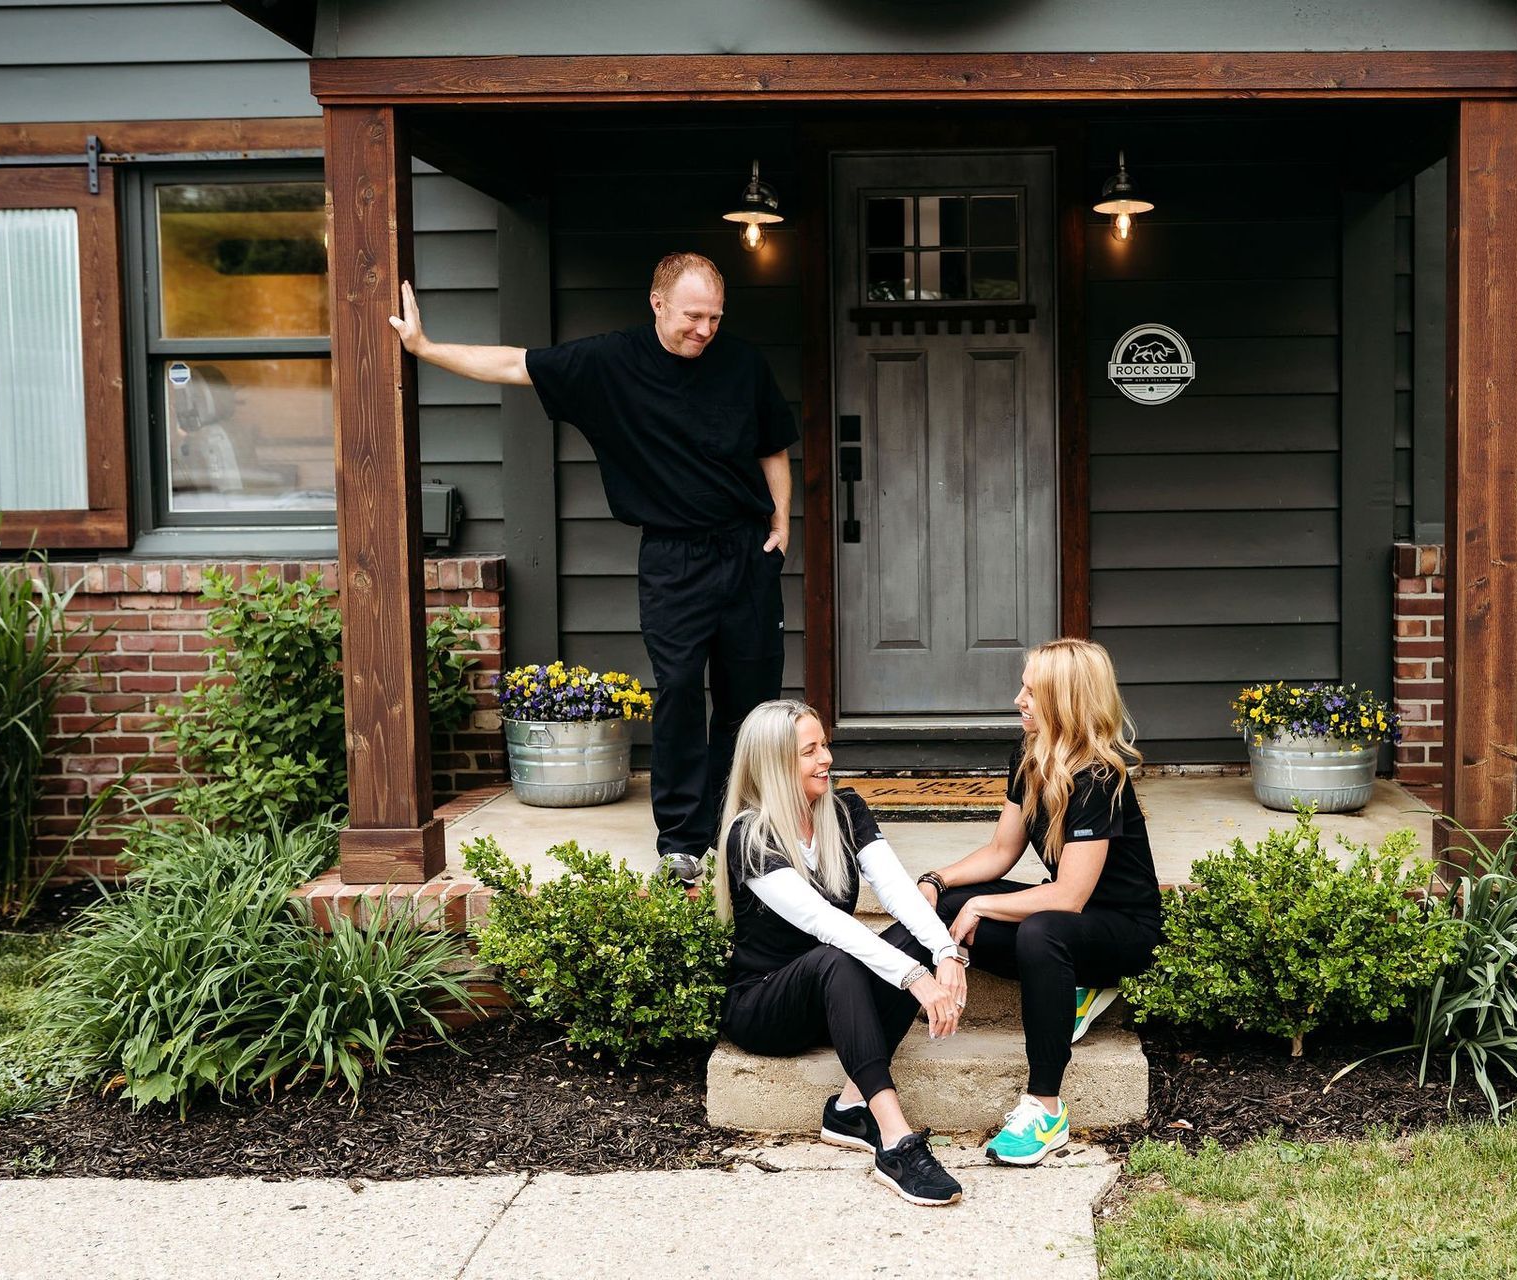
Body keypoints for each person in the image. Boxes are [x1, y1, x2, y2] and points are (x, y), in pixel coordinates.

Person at [389, 253, 795, 882]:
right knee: (682, 692)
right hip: (672, 557)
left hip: (747, 551)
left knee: (750, 694)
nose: (705, 330)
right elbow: (513, 364)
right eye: (693, 316)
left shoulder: (742, 363)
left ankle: (741, 827)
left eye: (715, 317)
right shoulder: (608, 364)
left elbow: (773, 446)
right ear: (657, 303)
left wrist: (782, 522)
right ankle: (684, 840)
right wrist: (425, 347)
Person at [714, 699, 971, 1207]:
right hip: (766, 1006)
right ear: (774, 764)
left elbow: (899, 892)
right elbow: (823, 922)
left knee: (926, 926)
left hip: (838, 1001)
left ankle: (851, 1106)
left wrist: (945, 952)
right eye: (809, 751)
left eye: (824, 745)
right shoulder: (750, 834)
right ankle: (895, 1140)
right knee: (839, 954)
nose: (826, 758)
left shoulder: (845, 810)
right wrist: (914, 978)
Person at [915, 638, 1162, 1167]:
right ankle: (1072, 988)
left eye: (1031, 691)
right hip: (1068, 921)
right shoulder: (1028, 754)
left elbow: (1069, 898)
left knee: (1039, 930)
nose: (1017, 699)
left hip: (1121, 930)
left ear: (1064, 700)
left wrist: (983, 907)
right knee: (948, 904)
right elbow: (1003, 851)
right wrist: (935, 881)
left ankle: (1045, 1108)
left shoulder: (1099, 775)